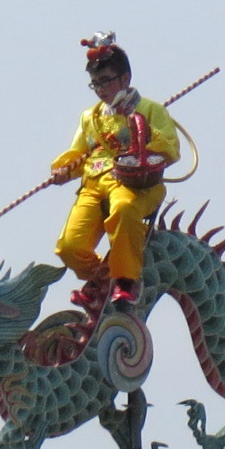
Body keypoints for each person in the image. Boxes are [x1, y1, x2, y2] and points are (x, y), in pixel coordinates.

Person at [49, 32, 180, 314]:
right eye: (94, 84)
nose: (100, 89)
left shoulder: (149, 109)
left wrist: (136, 125)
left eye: (105, 81)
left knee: (123, 209)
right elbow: (78, 153)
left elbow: (169, 148)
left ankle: (125, 281)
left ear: (125, 78)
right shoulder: (91, 116)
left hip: (133, 184)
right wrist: (62, 170)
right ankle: (101, 281)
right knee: (70, 246)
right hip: (94, 184)